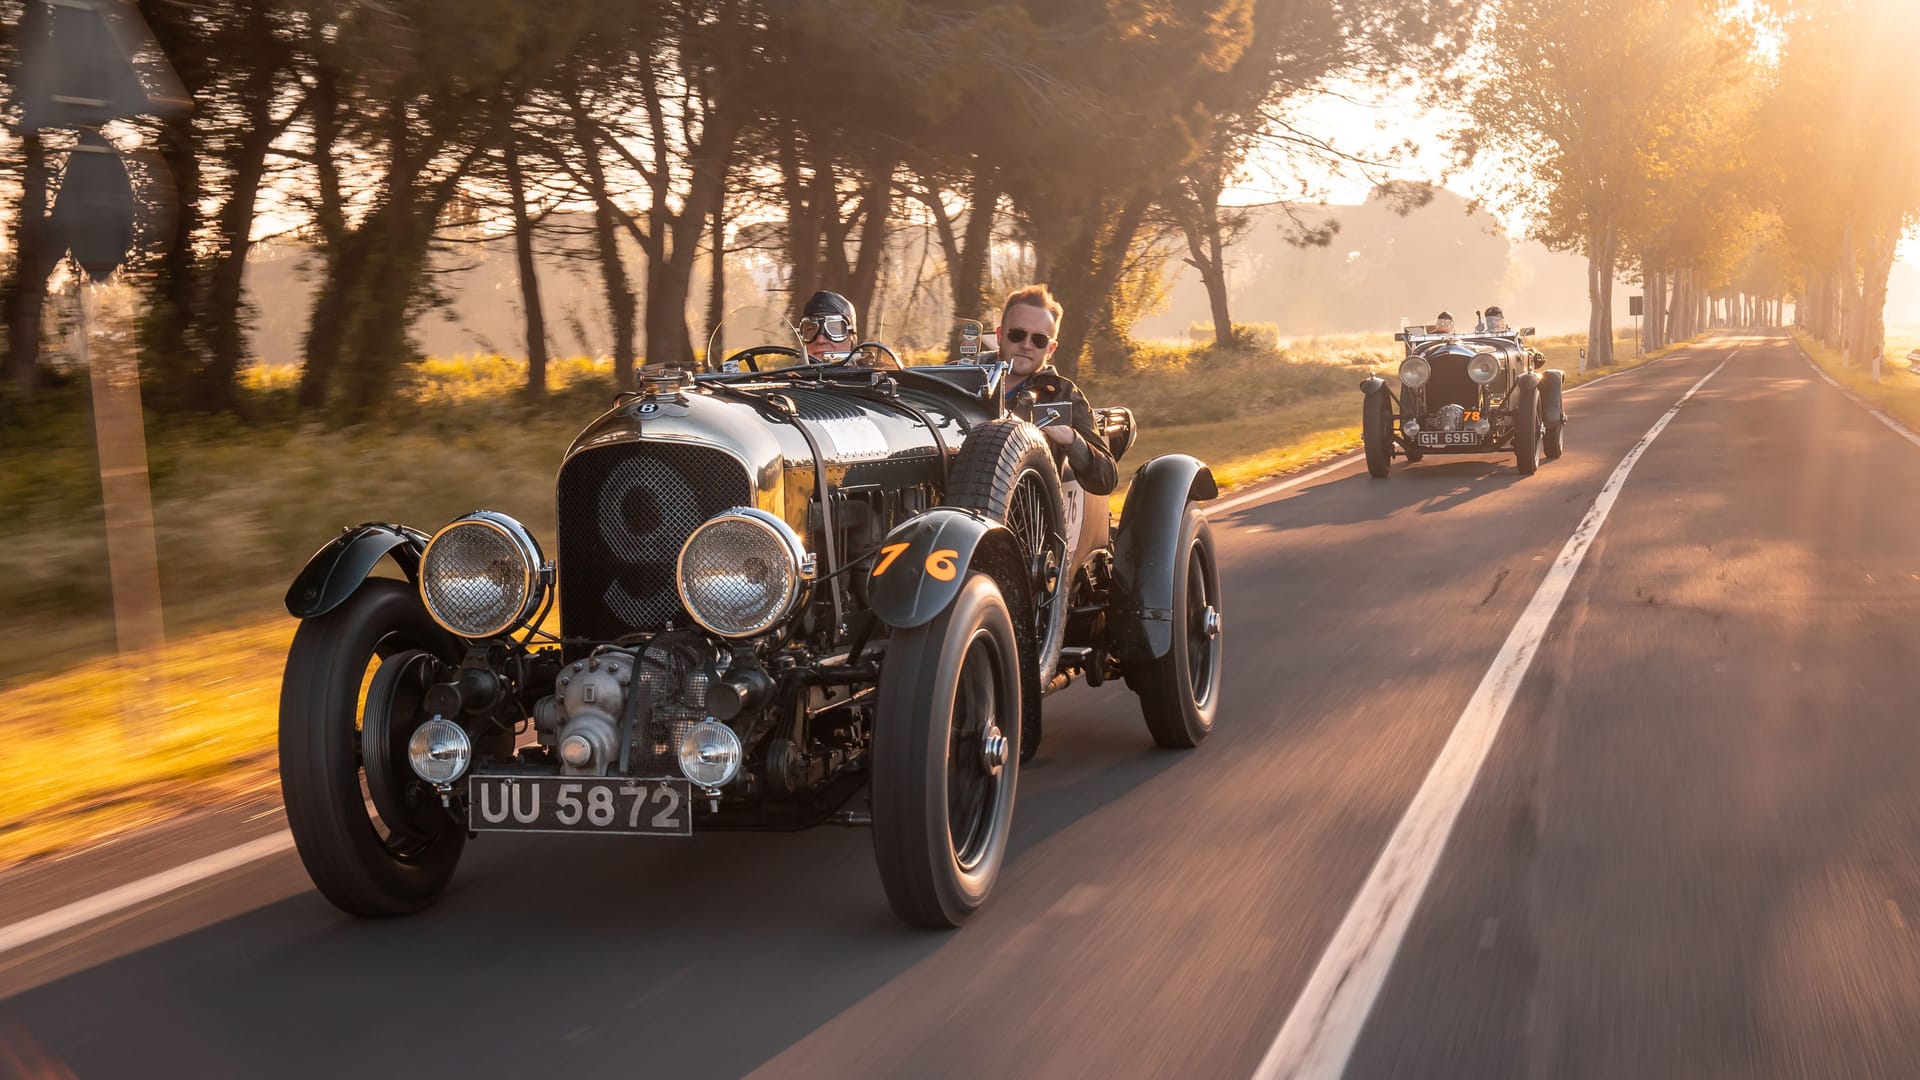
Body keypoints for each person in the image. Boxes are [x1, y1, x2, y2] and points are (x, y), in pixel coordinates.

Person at [994, 284, 1118, 496]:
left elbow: (1106, 477)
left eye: (1039, 340)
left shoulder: (1064, 395)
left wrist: (1070, 438)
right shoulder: (957, 378)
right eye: (1016, 334)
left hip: (1029, 520)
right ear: (999, 335)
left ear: (1050, 349)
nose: (1026, 345)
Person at [797, 290, 857, 362]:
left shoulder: (870, 372)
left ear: (852, 339)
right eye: (810, 330)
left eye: (833, 329)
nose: (820, 340)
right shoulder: (789, 373)